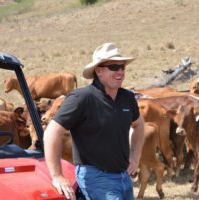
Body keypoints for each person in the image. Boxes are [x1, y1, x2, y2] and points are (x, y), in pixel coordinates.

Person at [43, 42, 145, 200]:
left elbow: (139, 125)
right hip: (95, 177)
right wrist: (57, 175)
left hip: (124, 177)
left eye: (122, 67)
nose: (120, 72)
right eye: (113, 67)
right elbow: (51, 133)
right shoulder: (81, 98)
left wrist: (135, 157)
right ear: (99, 71)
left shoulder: (127, 97)